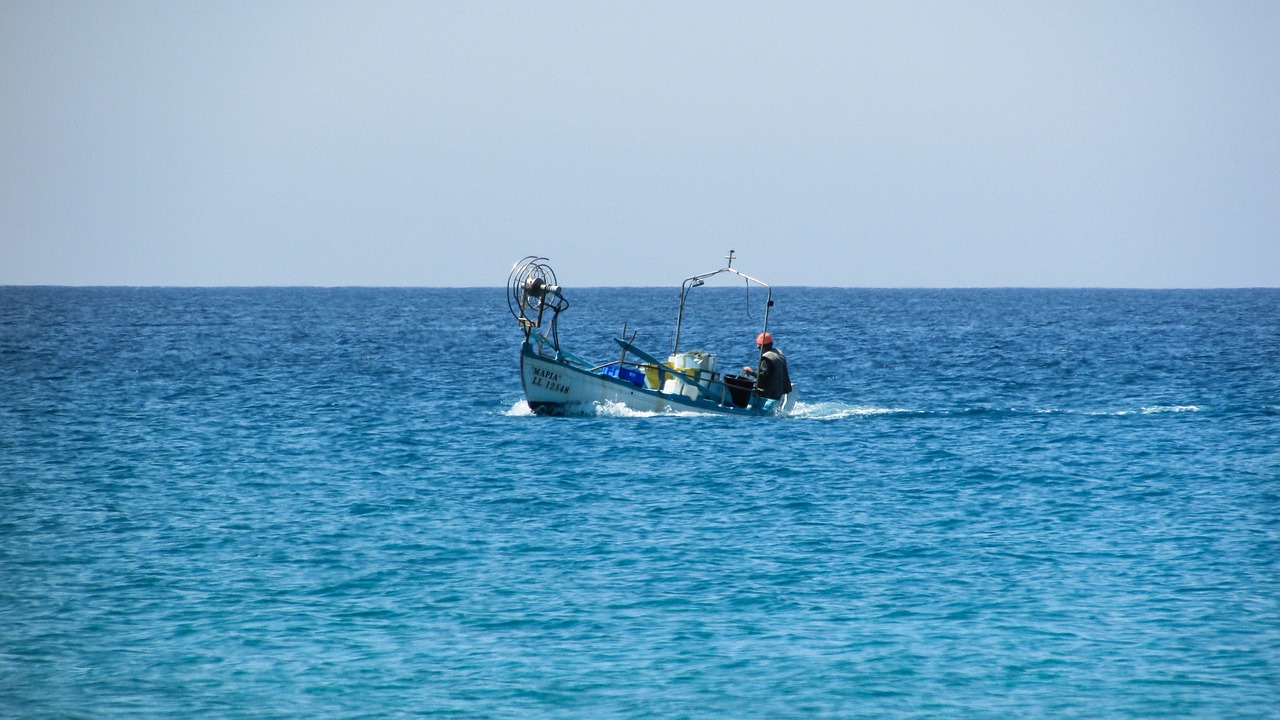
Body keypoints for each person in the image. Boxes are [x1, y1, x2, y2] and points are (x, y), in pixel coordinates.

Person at [742, 331, 792, 400]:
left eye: (759, 348)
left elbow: (763, 378)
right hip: (779, 392)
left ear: (761, 347)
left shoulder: (767, 358)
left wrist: (751, 372)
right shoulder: (779, 353)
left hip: (768, 394)